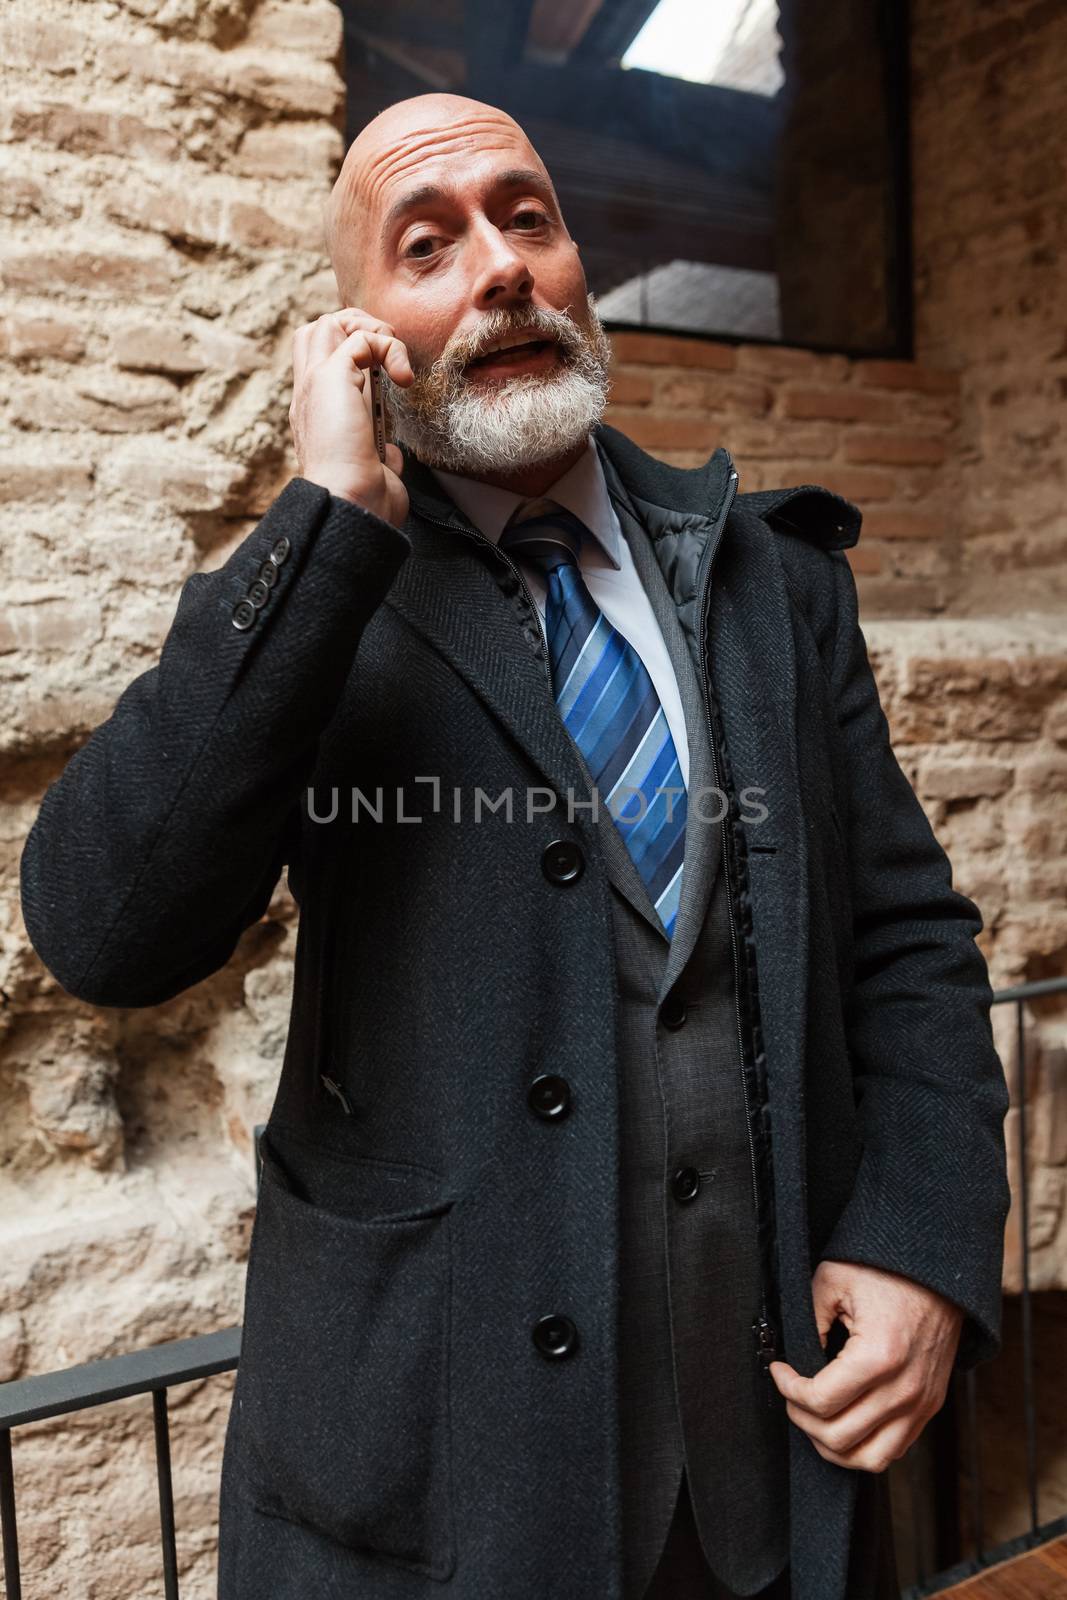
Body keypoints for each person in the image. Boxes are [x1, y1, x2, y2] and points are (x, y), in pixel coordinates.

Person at [19, 93, 1011, 1600]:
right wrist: (327, 514)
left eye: (527, 217)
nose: (500, 267)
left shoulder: (773, 578)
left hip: (768, 1457)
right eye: (429, 244)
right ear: (360, 337)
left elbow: (909, 941)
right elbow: (104, 932)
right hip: (439, 1483)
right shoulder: (309, 604)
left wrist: (925, 1237)